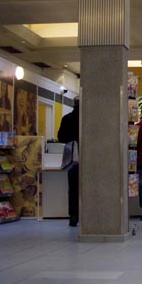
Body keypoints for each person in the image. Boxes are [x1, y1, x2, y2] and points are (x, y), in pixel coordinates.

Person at [57, 97, 79, 227]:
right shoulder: (87, 119)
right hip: (87, 156)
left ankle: (73, 215)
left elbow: (61, 137)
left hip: (71, 157)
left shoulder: (66, 118)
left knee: (73, 188)